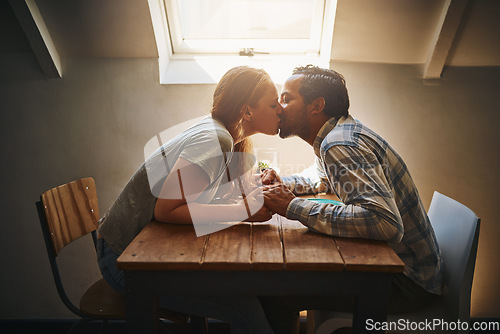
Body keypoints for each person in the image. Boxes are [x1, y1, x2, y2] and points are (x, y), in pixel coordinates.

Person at [97, 66, 282, 334]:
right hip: (124, 260)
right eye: (273, 104)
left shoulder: (225, 135)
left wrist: (256, 181)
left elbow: (204, 192)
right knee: (247, 310)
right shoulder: (214, 139)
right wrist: (245, 212)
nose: (280, 110)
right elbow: (167, 210)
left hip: (142, 252)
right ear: (247, 111)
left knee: (249, 293)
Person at [259, 65, 443, 334]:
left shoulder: (339, 144)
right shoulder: (337, 135)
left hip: (406, 282)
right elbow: (321, 179)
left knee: (276, 293)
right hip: (417, 272)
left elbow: (385, 223)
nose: (279, 107)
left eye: (287, 99)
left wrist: (291, 206)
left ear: (316, 105)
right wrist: (281, 183)